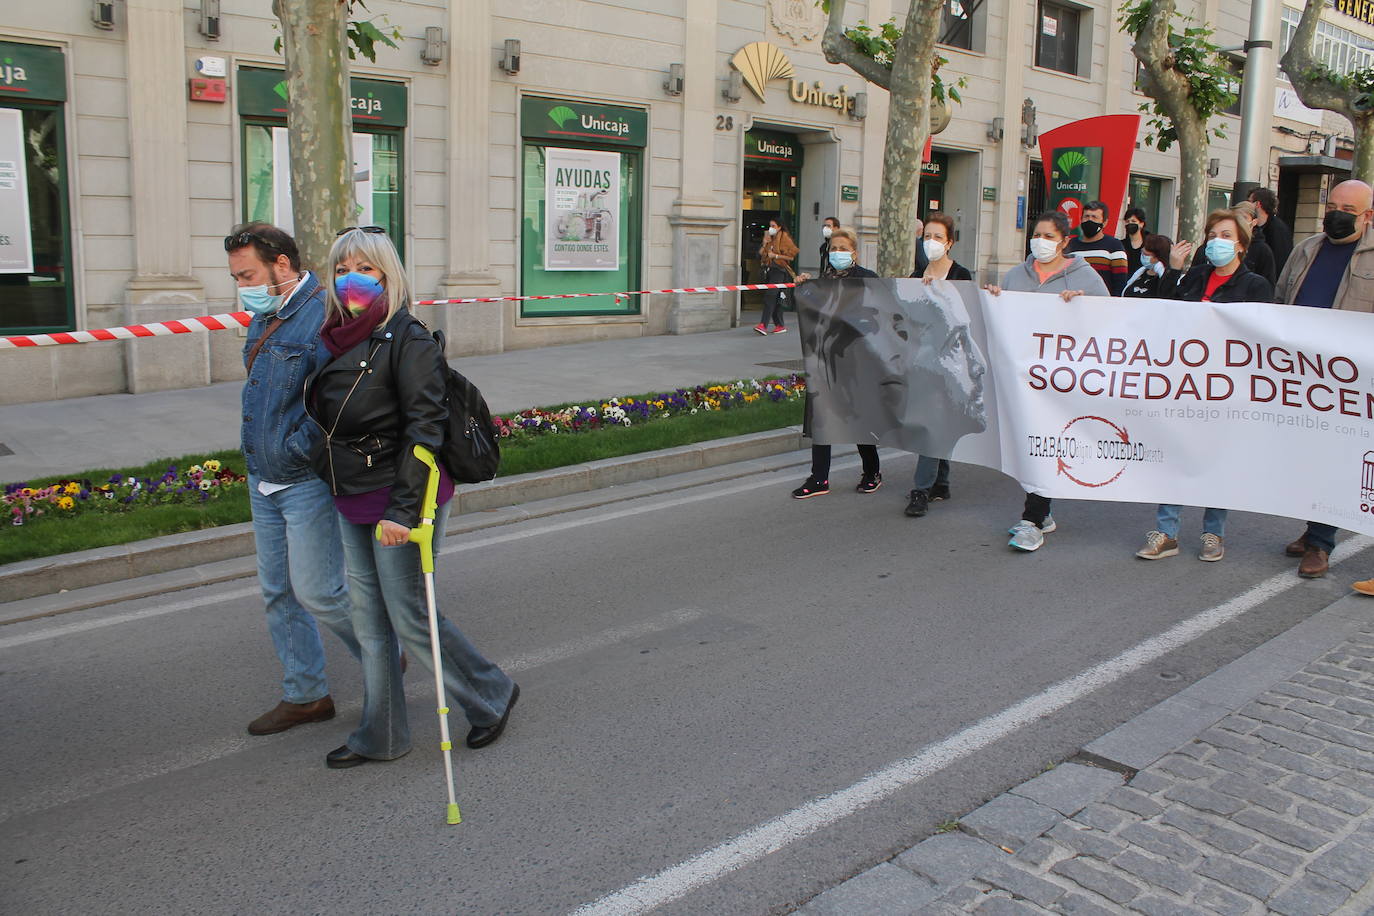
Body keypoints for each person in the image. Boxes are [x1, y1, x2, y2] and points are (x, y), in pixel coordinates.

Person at [305, 226, 518, 768]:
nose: (351, 279)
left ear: (388, 275)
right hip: (352, 493)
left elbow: (425, 430)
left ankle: (490, 694)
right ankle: (382, 733)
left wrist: (402, 511)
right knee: (370, 622)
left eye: (365, 268)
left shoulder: (408, 339)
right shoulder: (332, 336)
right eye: (342, 269)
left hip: (402, 498)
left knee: (409, 617)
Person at [225, 222, 361, 737]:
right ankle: (306, 696)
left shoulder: (325, 314)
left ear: (281, 264)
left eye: (248, 275)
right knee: (278, 592)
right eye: (237, 278)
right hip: (263, 476)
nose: (243, 287)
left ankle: (386, 652)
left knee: (320, 593)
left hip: (303, 478)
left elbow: (341, 399)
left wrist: (296, 448)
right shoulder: (268, 314)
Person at [1135, 210, 1273, 563]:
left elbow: (1259, 336)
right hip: (1186, 382)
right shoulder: (1195, 276)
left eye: (1225, 235)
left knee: (1217, 458)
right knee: (1176, 453)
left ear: (1241, 244)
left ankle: (1213, 532)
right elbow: (1165, 311)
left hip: (1226, 386)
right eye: (1212, 235)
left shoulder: (1254, 285)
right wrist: (1174, 270)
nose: (1216, 242)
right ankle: (1166, 532)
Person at [986, 210, 1109, 551]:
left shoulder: (1084, 276)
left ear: (1065, 241)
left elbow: (1109, 320)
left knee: (1046, 443)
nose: (1040, 241)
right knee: (1030, 446)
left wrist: (1081, 306)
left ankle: (1033, 520)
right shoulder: (1016, 275)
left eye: (1049, 236)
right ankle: (1044, 512)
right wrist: (995, 298)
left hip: (1061, 379)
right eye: (1037, 234)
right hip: (1024, 377)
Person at [1274, 178, 1374, 578]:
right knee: (1306, 456)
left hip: (1350, 379)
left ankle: (1320, 542)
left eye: (1348, 210)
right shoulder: (1306, 249)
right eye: (1332, 206)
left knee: (1336, 458)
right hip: (1301, 372)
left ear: (1368, 216)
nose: (1336, 215)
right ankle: (1312, 525)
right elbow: (1280, 300)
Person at [791, 226, 883, 498]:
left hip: (857, 360)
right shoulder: (824, 281)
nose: (837, 253)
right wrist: (804, 288)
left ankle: (872, 472)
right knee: (822, 418)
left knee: (859, 419)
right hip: (826, 360)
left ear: (854, 252)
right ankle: (819, 478)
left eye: (843, 248)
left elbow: (879, 316)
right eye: (833, 249)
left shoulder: (867, 279)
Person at [905, 211, 973, 518]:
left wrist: (938, 294)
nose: (931, 242)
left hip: (950, 364)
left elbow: (964, 318)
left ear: (950, 243)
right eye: (927, 236)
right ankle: (941, 482)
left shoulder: (961, 275)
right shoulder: (914, 277)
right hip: (922, 363)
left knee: (932, 425)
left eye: (938, 237)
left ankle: (920, 489)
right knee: (936, 423)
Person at [1065, 200, 1128, 296]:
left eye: (1094, 217)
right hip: (1072, 300)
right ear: (1081, 219)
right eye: (1086, 216)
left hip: (1102, 302)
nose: (1089, 220)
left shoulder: (1115, 246)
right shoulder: (1070, 245)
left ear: (1105, 223)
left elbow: (1120, 283)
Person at [755, 218, 799, 335]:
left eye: (773, 226)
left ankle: (763, 325)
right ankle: (779, 325)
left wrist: (776, 256)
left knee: (770, 296)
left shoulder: (785, 238)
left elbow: (791, 256)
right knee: (775, 298)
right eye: (770, 226)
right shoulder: (769, 239)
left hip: (780, 270)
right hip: (770, 270)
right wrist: (764, 243)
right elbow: (760, 254)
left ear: (779, 227)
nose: (771, 228)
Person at [1248, 187, 1293, 273]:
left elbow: (1280, 260)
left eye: (1249, 202)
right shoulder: (1255, 227)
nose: (1247, 205)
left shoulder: (1278, 229)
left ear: (1257, 204)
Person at [1121, 233, 1173, 298]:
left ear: (1158, 257)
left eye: (1146, 255)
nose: (1142, 256)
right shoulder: (1139, 273)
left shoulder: (1167, 279)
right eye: (1142, 252)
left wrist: (1161, 271)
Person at [1122, 207, 1149, 276]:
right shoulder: (1121, 244)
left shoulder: (1150, 244)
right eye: (1127, 221)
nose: (1130, 224)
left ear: (1141, 224)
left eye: (1133, 221)